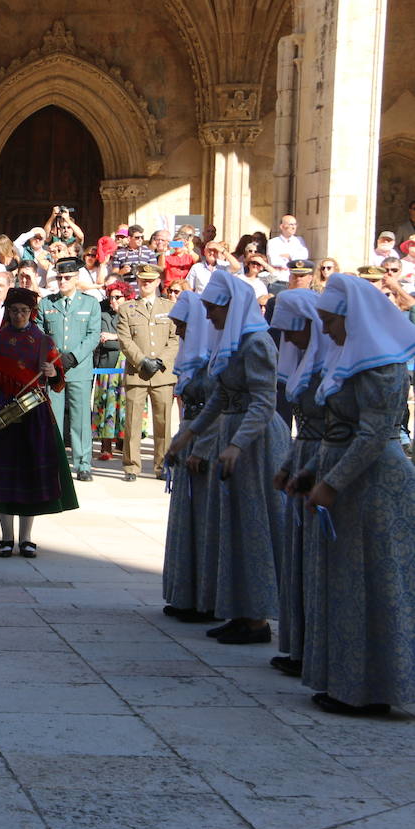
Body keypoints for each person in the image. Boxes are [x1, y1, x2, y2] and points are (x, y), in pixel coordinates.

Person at [291, 275, 415, 715]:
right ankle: (347, 681)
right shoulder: (350, 356)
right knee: (346, 585)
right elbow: (336, 433)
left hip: (376, 485)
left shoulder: (382, 364)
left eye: (330, 320)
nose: (325, 328)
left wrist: (330, 482)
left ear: (351, 317)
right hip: (350, 480)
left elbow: (373, 434)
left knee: (373, 584)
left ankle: (377, 689)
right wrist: (310, 472)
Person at [166, 271, 288, 645]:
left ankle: (257, 618)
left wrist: (236, 444)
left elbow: (264, 402)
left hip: (255, 441)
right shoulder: (230, 342)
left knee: (252, 526)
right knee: (230, 526)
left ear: (230, 306)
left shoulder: (257, 344)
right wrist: (189, 432)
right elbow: (220, 397)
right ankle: (239, 609)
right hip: (232, 434)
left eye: (213, 309)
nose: (210, 317)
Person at [0, 287, 79, 557]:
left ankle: (26, 539)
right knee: (3, 473)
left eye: (24, 311)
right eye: (14, 310)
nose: (18, 315)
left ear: (32, 312)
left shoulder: (44, 342)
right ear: (8, 311)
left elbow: (58, 381)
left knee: (30, 475)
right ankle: (6, 538)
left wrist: (52, 371)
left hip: (35, 415)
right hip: (1, 413)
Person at [265, 287, 330, 677]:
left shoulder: (330, 364)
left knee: (318, 564)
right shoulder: (309, 360)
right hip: (307, 462)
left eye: (293, 331)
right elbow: (304, 430)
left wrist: (315, 474)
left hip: (325, 467)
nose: (288, 340)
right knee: (299, 560)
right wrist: (290, 465)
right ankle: (301, 646)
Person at [161, 290, 220, 623]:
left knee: (205, 525)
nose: (179, 331)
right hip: (188, 443)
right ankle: (186, 593)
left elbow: (218, 408)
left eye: (182, 325)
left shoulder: (214, 358)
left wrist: (200, 445)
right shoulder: (189, 356)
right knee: (187, 523)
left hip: (203, 447)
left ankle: (207, 600)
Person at [38, 258, 100, 481]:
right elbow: (39, 334)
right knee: (53, 417)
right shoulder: (46, 304)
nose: (62, 281)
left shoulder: (90, 304)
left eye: (67, 278)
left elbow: (93, 335)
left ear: (77, 278)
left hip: (79, 369)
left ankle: (83, 463)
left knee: (80, 418)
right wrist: (53, 358)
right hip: (53, 370)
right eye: (59, 277)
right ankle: (54, 462)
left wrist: (73, 357)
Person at [117, 265, 178, 481]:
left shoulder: (170, 307)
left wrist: (161, 360)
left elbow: (174, 338)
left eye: (150, 280)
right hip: (138, 373)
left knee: (163, 424)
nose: (146, 284)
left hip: (162, 374)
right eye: (143, 280)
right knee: (132, 423)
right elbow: (125, 340)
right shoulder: (127, 308)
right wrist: (142, 360)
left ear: (158, 281)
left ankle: (162, 466)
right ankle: (131, 466)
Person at [92, 280, 128, 462]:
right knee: (105, 404)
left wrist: (115, 337)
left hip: (128, 366)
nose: (113, 301)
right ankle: (106, 447)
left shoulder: (133, 312)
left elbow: (137, 338)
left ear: (126, 297)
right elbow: (104, 340)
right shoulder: (103, 313)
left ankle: (124, 443)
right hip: (107, 365)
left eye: (117, 297)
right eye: (110, 297)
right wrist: (121, 340)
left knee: (125, 406)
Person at [266, 214, 308, 282]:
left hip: (295, 279)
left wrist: (289, 256)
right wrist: (294, 258)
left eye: (295, 224)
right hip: (279, 279)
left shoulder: (299, 241)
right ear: (282, 226)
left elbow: (304, 257)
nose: (294, 227)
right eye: (291, 224)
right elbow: (274, 261)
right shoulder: (273, 242)